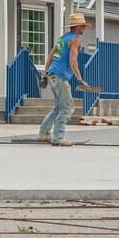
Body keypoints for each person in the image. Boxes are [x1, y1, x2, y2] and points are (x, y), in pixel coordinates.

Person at [38, 12, 94, 147]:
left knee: (58, 107)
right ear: (78, 27)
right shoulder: (75, 40)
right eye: (83, 26)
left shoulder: (62, 38)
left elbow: (50, 57)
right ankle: (58, 137)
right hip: (60, 76)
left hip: (52, 74)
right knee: (67, 107)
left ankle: (43, 134)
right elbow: (72, 60)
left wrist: (45, 75)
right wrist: (80, 79)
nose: (84, 29)